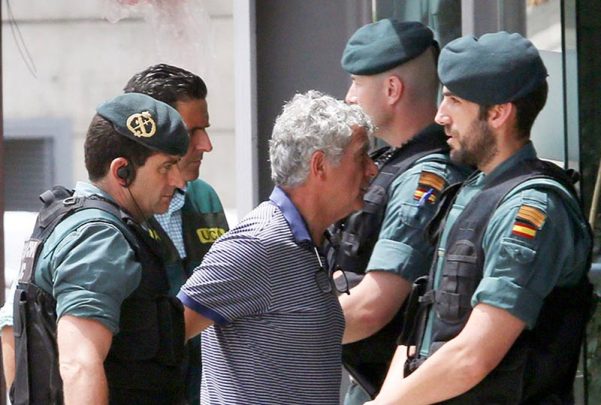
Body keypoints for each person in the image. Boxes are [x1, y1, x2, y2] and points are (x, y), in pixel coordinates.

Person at [369, 31, 593, 404]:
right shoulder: (472, 191)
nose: (440, 115)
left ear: (498, 113)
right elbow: (421, 329)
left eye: (454, 100)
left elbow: (472, 357)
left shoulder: (530, 208)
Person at [178, 90, 377, 404]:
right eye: (362, 156)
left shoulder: (310, 243)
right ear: (320, 165)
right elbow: (164, 338)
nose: (372, 169)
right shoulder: (257, 243)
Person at [11, 93, 190, 404]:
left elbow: (9, 330)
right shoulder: (99, 238)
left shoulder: (71, 221)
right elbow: (80, 363)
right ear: (121, 171)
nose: (179, 181)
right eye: (166, 167)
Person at [329, 19, 470, 403]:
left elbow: (372, 307)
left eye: (357, 83)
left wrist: (276, 331)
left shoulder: (423, 180)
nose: (349, 97)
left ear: (392, 89)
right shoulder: (394, 165)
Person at [124, 63, 229, 405]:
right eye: (190, 131)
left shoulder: (205, 198)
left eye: (205, 129)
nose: (206, 145)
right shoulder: (107, 215)